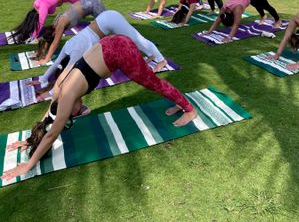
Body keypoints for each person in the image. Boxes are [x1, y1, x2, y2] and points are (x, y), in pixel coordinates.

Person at [1, 35, 197, 182]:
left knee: (153, 82)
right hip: (109, 44)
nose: (79, 112)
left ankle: (189, 109)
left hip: (120, 51)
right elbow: (49, 120)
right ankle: (179, 101)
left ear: (67, 109)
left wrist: (29, 164)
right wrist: (32, 139)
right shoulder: (59, 92)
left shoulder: (67, 96)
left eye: (74, 114)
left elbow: (52, 133)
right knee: (150, 79)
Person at [28, 10, 168, 93]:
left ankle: (161, 59)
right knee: (133, 39)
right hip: (105, 19)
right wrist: (43, 79)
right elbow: (57, 64)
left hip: (110, 20)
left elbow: (67, 71)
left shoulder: (75, 50)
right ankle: (151, 55)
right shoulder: (69, 44)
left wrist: (52, 92)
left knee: (138, 39)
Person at [34, 0, 106, 65]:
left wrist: (46, 59)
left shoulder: (60, 25)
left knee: (104, 28)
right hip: (87, 2)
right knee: (102, 27)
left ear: (53, 33)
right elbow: (47, 40)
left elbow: (54, 43)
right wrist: (42, 51)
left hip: (94, 5)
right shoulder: (54, 23)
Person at [206, 0, 282, 42]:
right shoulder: (223, 9)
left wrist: (229, 37)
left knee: (265, 5)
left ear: (232, 17)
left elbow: (236, 24)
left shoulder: (237, 9)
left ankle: (278, 20)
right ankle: (263, 16)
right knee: (255, 4)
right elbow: (217, 21)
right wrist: (209, 32)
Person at [11, 0, 84, 43]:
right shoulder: (36, 3)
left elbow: (41, 22)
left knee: (84, 5)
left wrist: (34, 37)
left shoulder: (43, 7)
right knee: (84, 4)